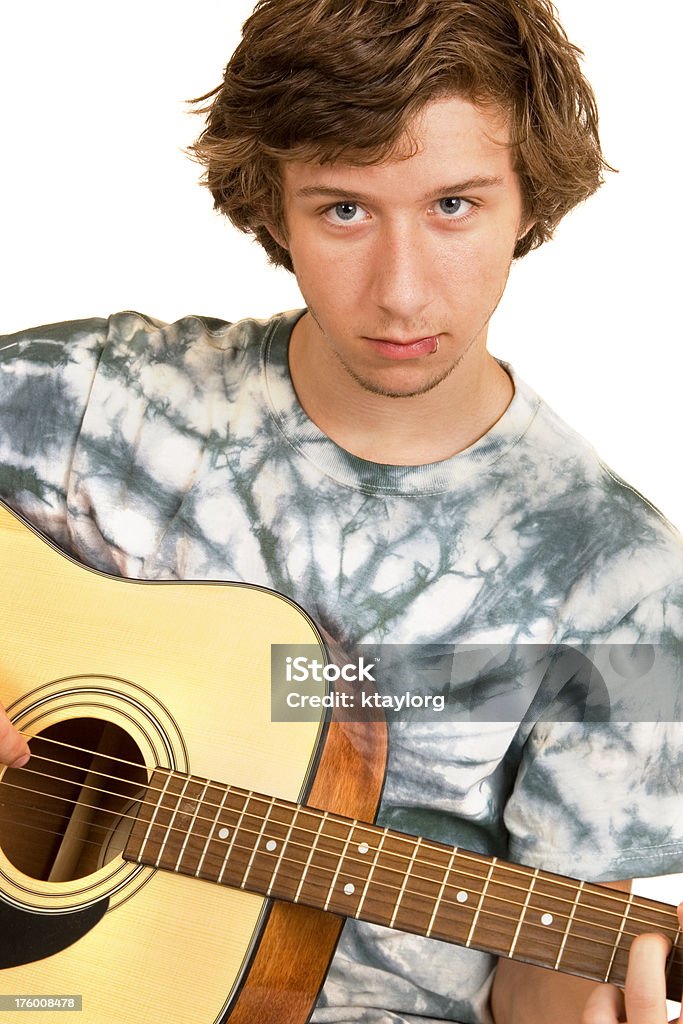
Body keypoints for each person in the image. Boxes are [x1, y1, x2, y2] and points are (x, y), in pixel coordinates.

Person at [0, 1, 682, 1022]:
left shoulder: (622, 586)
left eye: (453, 205)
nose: (401, 293)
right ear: (270, 207)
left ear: (527, 200)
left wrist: (594, 1007)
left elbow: (546, 977)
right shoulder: (100, 397)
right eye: (343, 210)